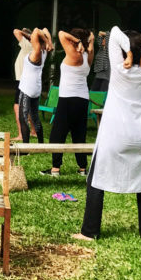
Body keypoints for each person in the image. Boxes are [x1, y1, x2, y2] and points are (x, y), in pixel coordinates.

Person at [73, 26, 141, 242]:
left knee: (95, 181)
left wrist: (129, 53)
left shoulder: (120, 69)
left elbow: (113, 31)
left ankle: (89, 232)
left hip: (114, 136)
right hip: (139, 137)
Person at [42, 28, 93, 177]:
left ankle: (55, 169)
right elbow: (91, 37)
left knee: (57, 134)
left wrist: (77, 41)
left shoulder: (74, 54)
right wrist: (88, 40)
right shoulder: (88, 54)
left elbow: (61, 34)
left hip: (68, 99)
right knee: (79, 133)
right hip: (83, 100)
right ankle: (83, 168)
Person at [17, 28, 53, 144]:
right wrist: (48, 42)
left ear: (37, 42)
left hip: (27, 89)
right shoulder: (43, 52)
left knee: (23, 118)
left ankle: (25, 148)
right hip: (36, 89)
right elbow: (45, 30)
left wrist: (47, 42)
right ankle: (41, 144)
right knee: (35, 118)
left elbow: (37, 30)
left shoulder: (36, 52)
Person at [12, 28, 35, 141]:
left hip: (22, 80)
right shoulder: (34, 47)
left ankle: (21, 134)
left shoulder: (27, 45)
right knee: (28, 107)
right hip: (27, 80)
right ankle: (34, 131)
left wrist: (25, 34)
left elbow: (15, 31)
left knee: (18, 107)